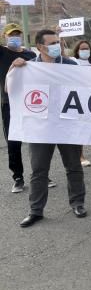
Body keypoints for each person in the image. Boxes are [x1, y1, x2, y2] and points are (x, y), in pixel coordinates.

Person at [11, 29, 87, 227]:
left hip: (67, 124)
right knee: (38, 170)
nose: (57, 46)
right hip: (40, 127)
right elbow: (9, 89)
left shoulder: (69, 65)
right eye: (52, 43)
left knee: (73, 166)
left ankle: (78, 203)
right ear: (40, 47)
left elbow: (87, 87)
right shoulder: (29, 67)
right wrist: (14, 68)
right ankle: (36, 211)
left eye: (58, 42)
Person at [0, 23, 35, 193]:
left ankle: (40, 173)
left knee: (37, 138)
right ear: (4, 37)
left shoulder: (31, 54)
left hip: (32, 102)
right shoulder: (2, 53)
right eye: (10, 34)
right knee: (13, 141)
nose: (14, 37)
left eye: (17, 34)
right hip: (10, 103)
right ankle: (18, 177)